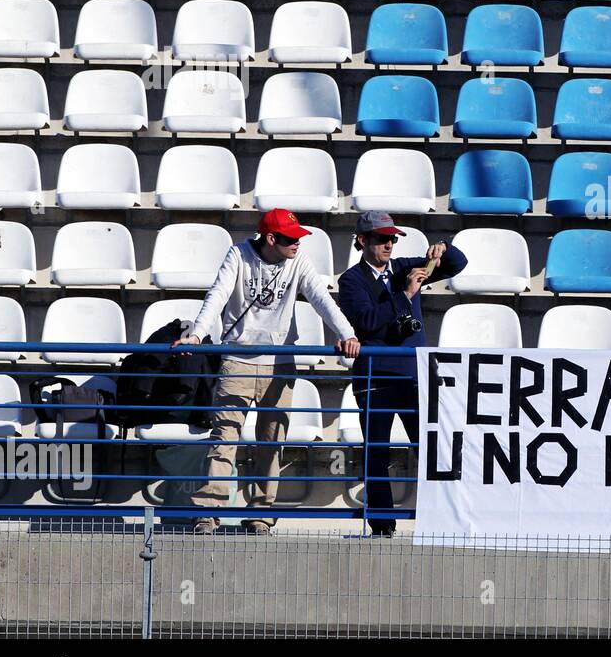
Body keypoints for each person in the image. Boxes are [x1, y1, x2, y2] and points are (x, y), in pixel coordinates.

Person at [176, 209, 361, 535]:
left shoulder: (298, 261)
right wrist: (197, 333)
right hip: (237, 361)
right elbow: (217, 295)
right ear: (271, 238)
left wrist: (346, 333)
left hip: (280, 363)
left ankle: (261, 514)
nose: (297, 244)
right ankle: (208, 512)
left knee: (271, 442)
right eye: (290, 238)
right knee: (225, 439)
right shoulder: (238, 254)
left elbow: (321, 298)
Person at [337, 211, 467, 538]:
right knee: (377, 452)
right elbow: (367, 322)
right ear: (362, 241)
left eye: (393, 238)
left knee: (428, 448)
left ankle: (441, 521)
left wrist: (442, 249)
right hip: (375, 378)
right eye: (382, 238)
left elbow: (457, 264)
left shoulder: (403, 267)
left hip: (411, 375)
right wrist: (405, 295)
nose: (389, 244)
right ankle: (382, 525)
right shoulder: (350, 280)